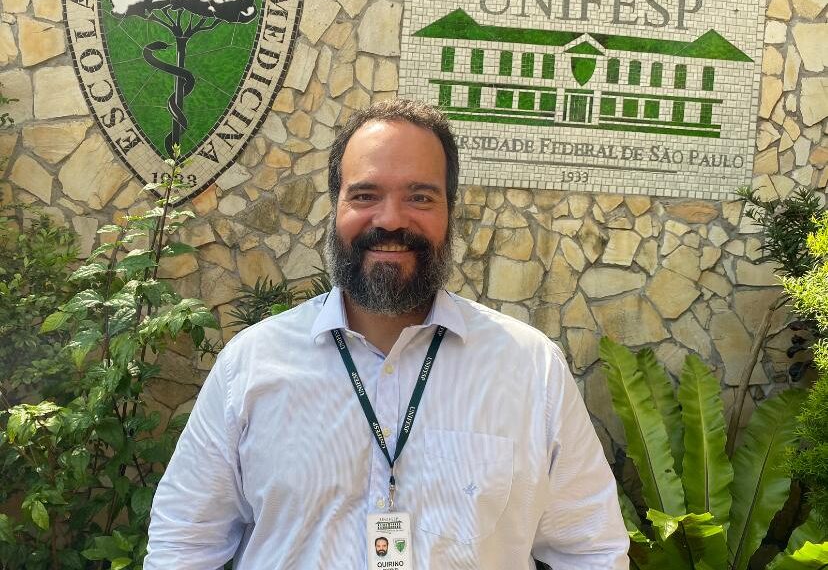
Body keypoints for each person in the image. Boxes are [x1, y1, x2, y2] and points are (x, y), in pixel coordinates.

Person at [146, 99, 629, 569]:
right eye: (365, 195)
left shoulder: (530, 369)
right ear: (335, 207)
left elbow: (592, 552)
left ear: (450, 212)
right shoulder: (250, 366)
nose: (391, 219)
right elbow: (183, 543)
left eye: (420, 197)